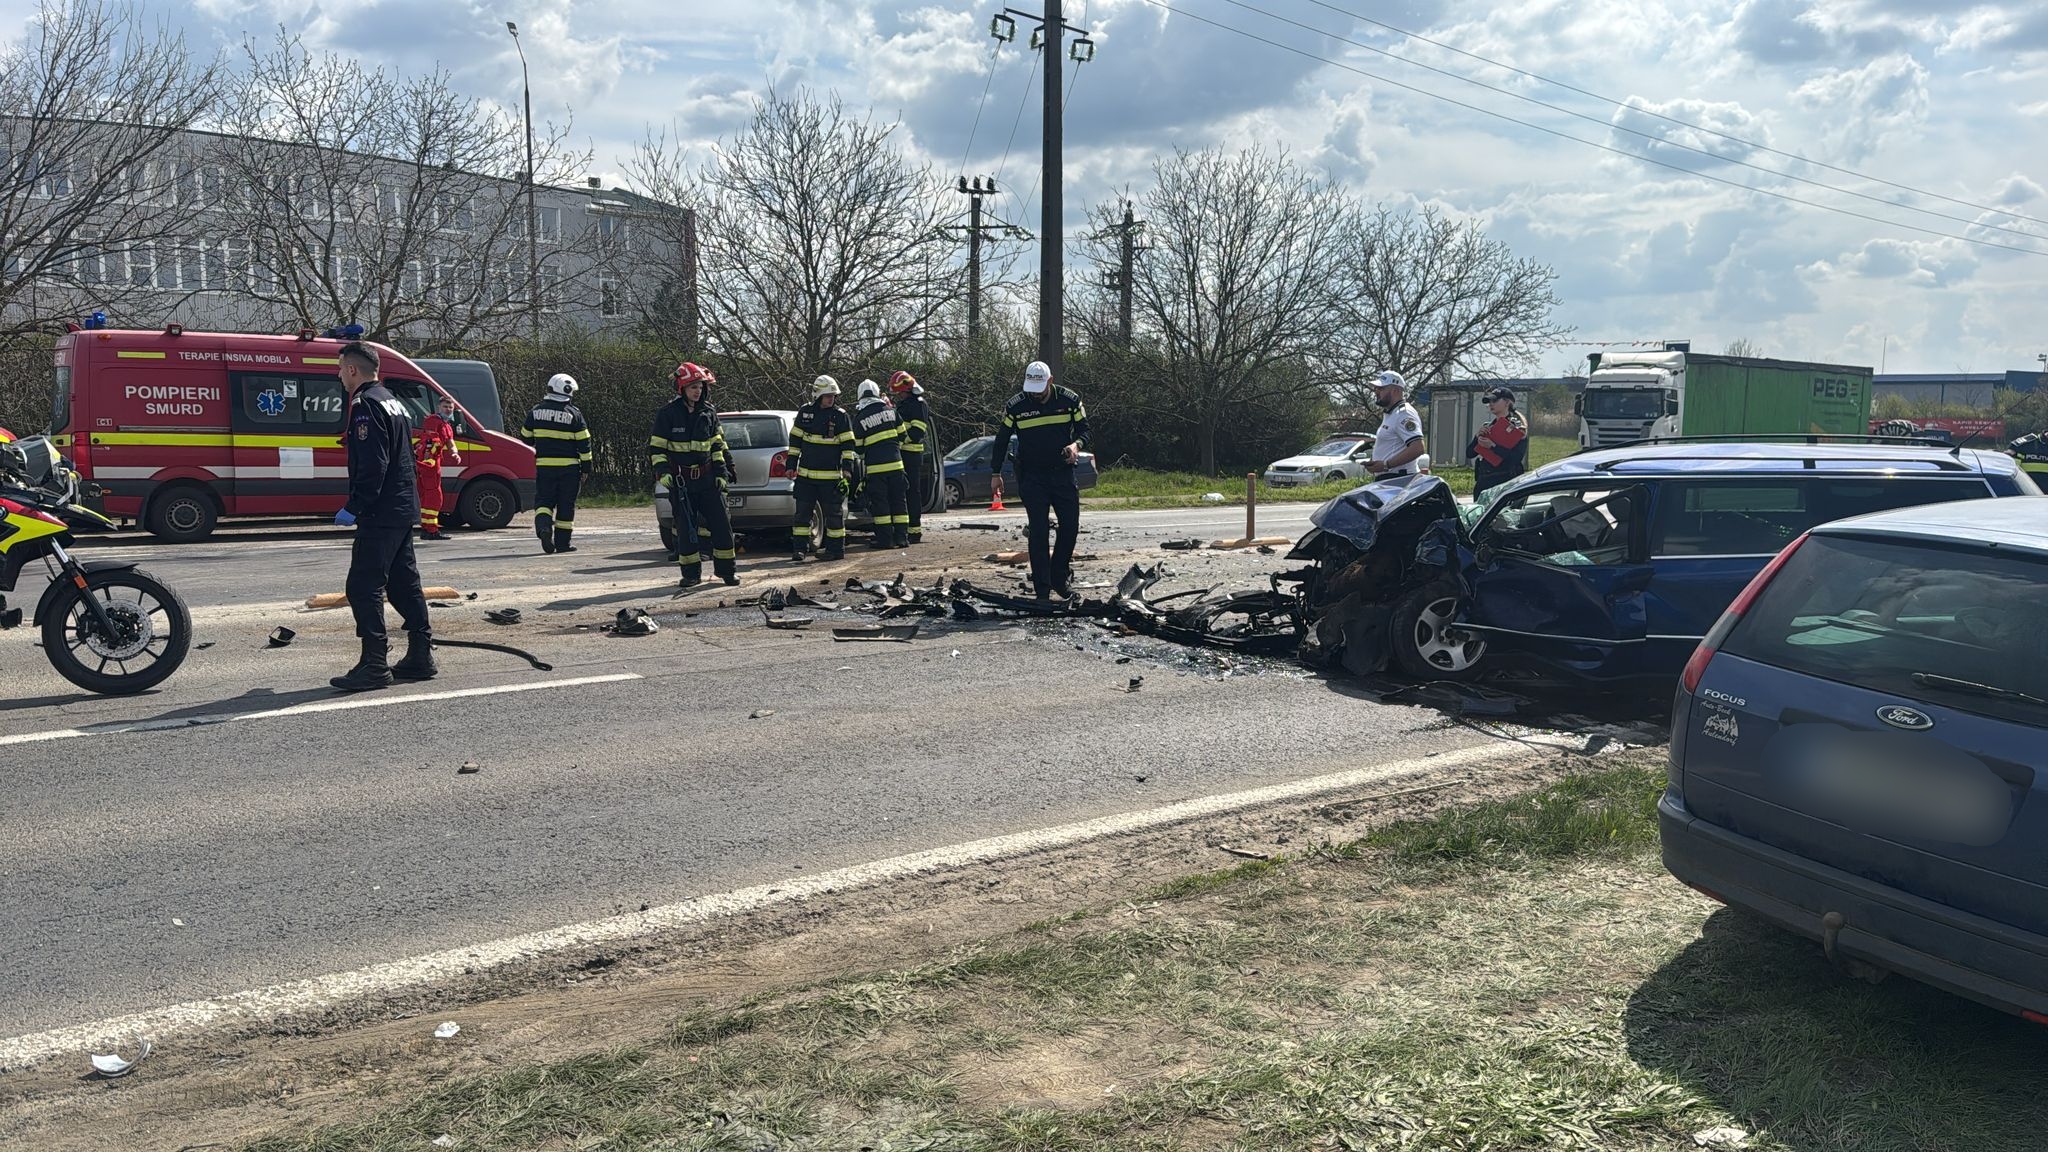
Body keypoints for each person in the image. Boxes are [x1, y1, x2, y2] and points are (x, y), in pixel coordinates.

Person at [330, 341, 435, 691]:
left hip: (381, 509)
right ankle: (420, 655)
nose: (339, 375)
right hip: (402, 506)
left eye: (340, 368)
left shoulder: (365, 404)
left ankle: (374, 664)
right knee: (404, 583)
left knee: (363, 586)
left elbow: (375, 463)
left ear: (352, 369)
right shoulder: (392, 400)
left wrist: (356, 505)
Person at [990, 360, 1089, 600]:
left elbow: (1085, 430)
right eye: (1031, 390)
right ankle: (1042, 589)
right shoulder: (1016, 406)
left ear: (1050, 381)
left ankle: (1059, 578)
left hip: (1062, 473)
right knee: (1038, 531)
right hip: (1032, 475)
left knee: (1070, 527)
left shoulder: (1070, 400)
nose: (1035, 395)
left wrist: (1076, 446)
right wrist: (995, 473)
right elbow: (1001, 439)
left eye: (1040, 390)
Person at [651, 362, 740, 588]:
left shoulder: (708, 412)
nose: (698, 391)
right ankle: (691, 575)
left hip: (708, 479)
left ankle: (727, 572)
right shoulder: (668, 414)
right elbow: (657, 448)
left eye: (700, 387)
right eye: (693, 387)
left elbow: (718, 445)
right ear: (682, 388)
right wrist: (663, 472)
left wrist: (724, 471)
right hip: (681, 481)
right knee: (686, 530)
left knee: (722, 526)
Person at [520, 373, 592, 553]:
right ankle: (562, 544)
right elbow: (584, 444)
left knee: (544, 502)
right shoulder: (574, 414)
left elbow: (526, 437)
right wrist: (586, 468)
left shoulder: (535, 411)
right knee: (566, 505)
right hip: (569, 469)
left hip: (545, 467)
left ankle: (544, 528)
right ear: (567, 391)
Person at [789, 375, 856, 562]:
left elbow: (848, 447)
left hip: (830, 478)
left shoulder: (841, 416)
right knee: (802, 516)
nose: (830, 399)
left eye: (833, 396)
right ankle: (799, 550)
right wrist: (790, 466)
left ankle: (835, 550)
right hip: (806, 477)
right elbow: (795, 442)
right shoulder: (805, 413)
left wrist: (847, 470)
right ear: (818, 396)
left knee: (834, 516)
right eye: (827, 396)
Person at [852, 378, 909, 549]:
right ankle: (902, 539)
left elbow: (858, 449)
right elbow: (903, 436)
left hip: (876, 470)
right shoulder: (891, 411)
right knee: (899, 502)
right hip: (897, 466)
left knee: (881, 505)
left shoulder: (860, 418)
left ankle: (886, 541)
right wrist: (894, 452)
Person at [889, 371, 932, 543]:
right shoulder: (904, 404)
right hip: (901, 454)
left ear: (907, 389)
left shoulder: (919, 404)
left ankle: (914, 531)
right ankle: (903, 529)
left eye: (900, 392)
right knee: (901, 492)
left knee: (912, 492)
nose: (898, 395)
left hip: (912, 455)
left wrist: (899, 441)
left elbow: (917, 432)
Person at [1365, 370, 1430, 479]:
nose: (1376, 392)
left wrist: (1386, 465)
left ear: (1395, 390)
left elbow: (1418, 447)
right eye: (1376, 388)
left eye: (1381, 388)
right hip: (1391, 479)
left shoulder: (1404, 413)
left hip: (1399, 479)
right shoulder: (1392, 413)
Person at [413, 394, 462, 540]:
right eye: (445, 407)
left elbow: (450, 442)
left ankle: (427, 528)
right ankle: (431, 530)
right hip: (429, 463)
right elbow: (430, 441)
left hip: (434, 463)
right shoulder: (432, 421)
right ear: (439, 407)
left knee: (429, 496)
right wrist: (428, 461)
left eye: (450, 407)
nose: (448, 409)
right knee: (434, 497)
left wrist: (455, 453)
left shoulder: (447, 426)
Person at [1468, 386, 1529, 496]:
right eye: (1489, 401)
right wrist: (1477, 437)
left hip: (1506, 484)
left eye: (1495, 401)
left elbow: (1515, 459)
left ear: (1507, 403)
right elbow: (1470, 453)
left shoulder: (1518, 429)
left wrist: (1492, 446)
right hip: (1484, 483)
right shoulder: (1488, 426)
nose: (1491, 404)